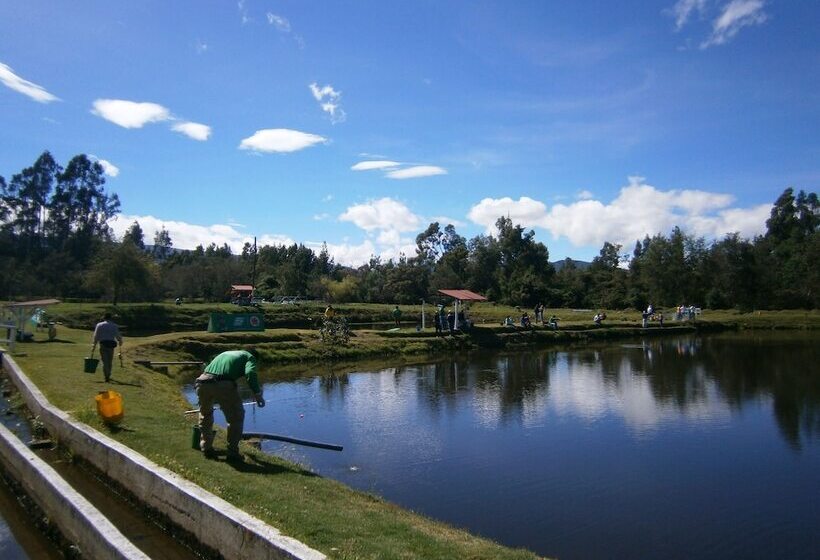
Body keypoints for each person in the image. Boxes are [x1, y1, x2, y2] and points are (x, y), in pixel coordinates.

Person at [196, 350, 265, 462]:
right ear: (256, 358)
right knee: (236, 417)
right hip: (222, 383)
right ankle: (232, 453)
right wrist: (257, 394)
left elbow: (208, 367)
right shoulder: (250, 357)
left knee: (205, 414)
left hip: (202, 382)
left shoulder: (226, 353)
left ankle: (206, 447)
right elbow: (250, 373)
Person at [91, 313, 123, 383]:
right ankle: (108, 374)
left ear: (104, 318)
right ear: (111, 318)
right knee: (109, 361)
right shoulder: (114, 325)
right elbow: (117, 335)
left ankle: (106, 375)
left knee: (105, 361)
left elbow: (96, 336)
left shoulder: (99, 325)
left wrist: (94, 345)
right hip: (111, 345)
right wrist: (120, 341)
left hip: (103, 344)